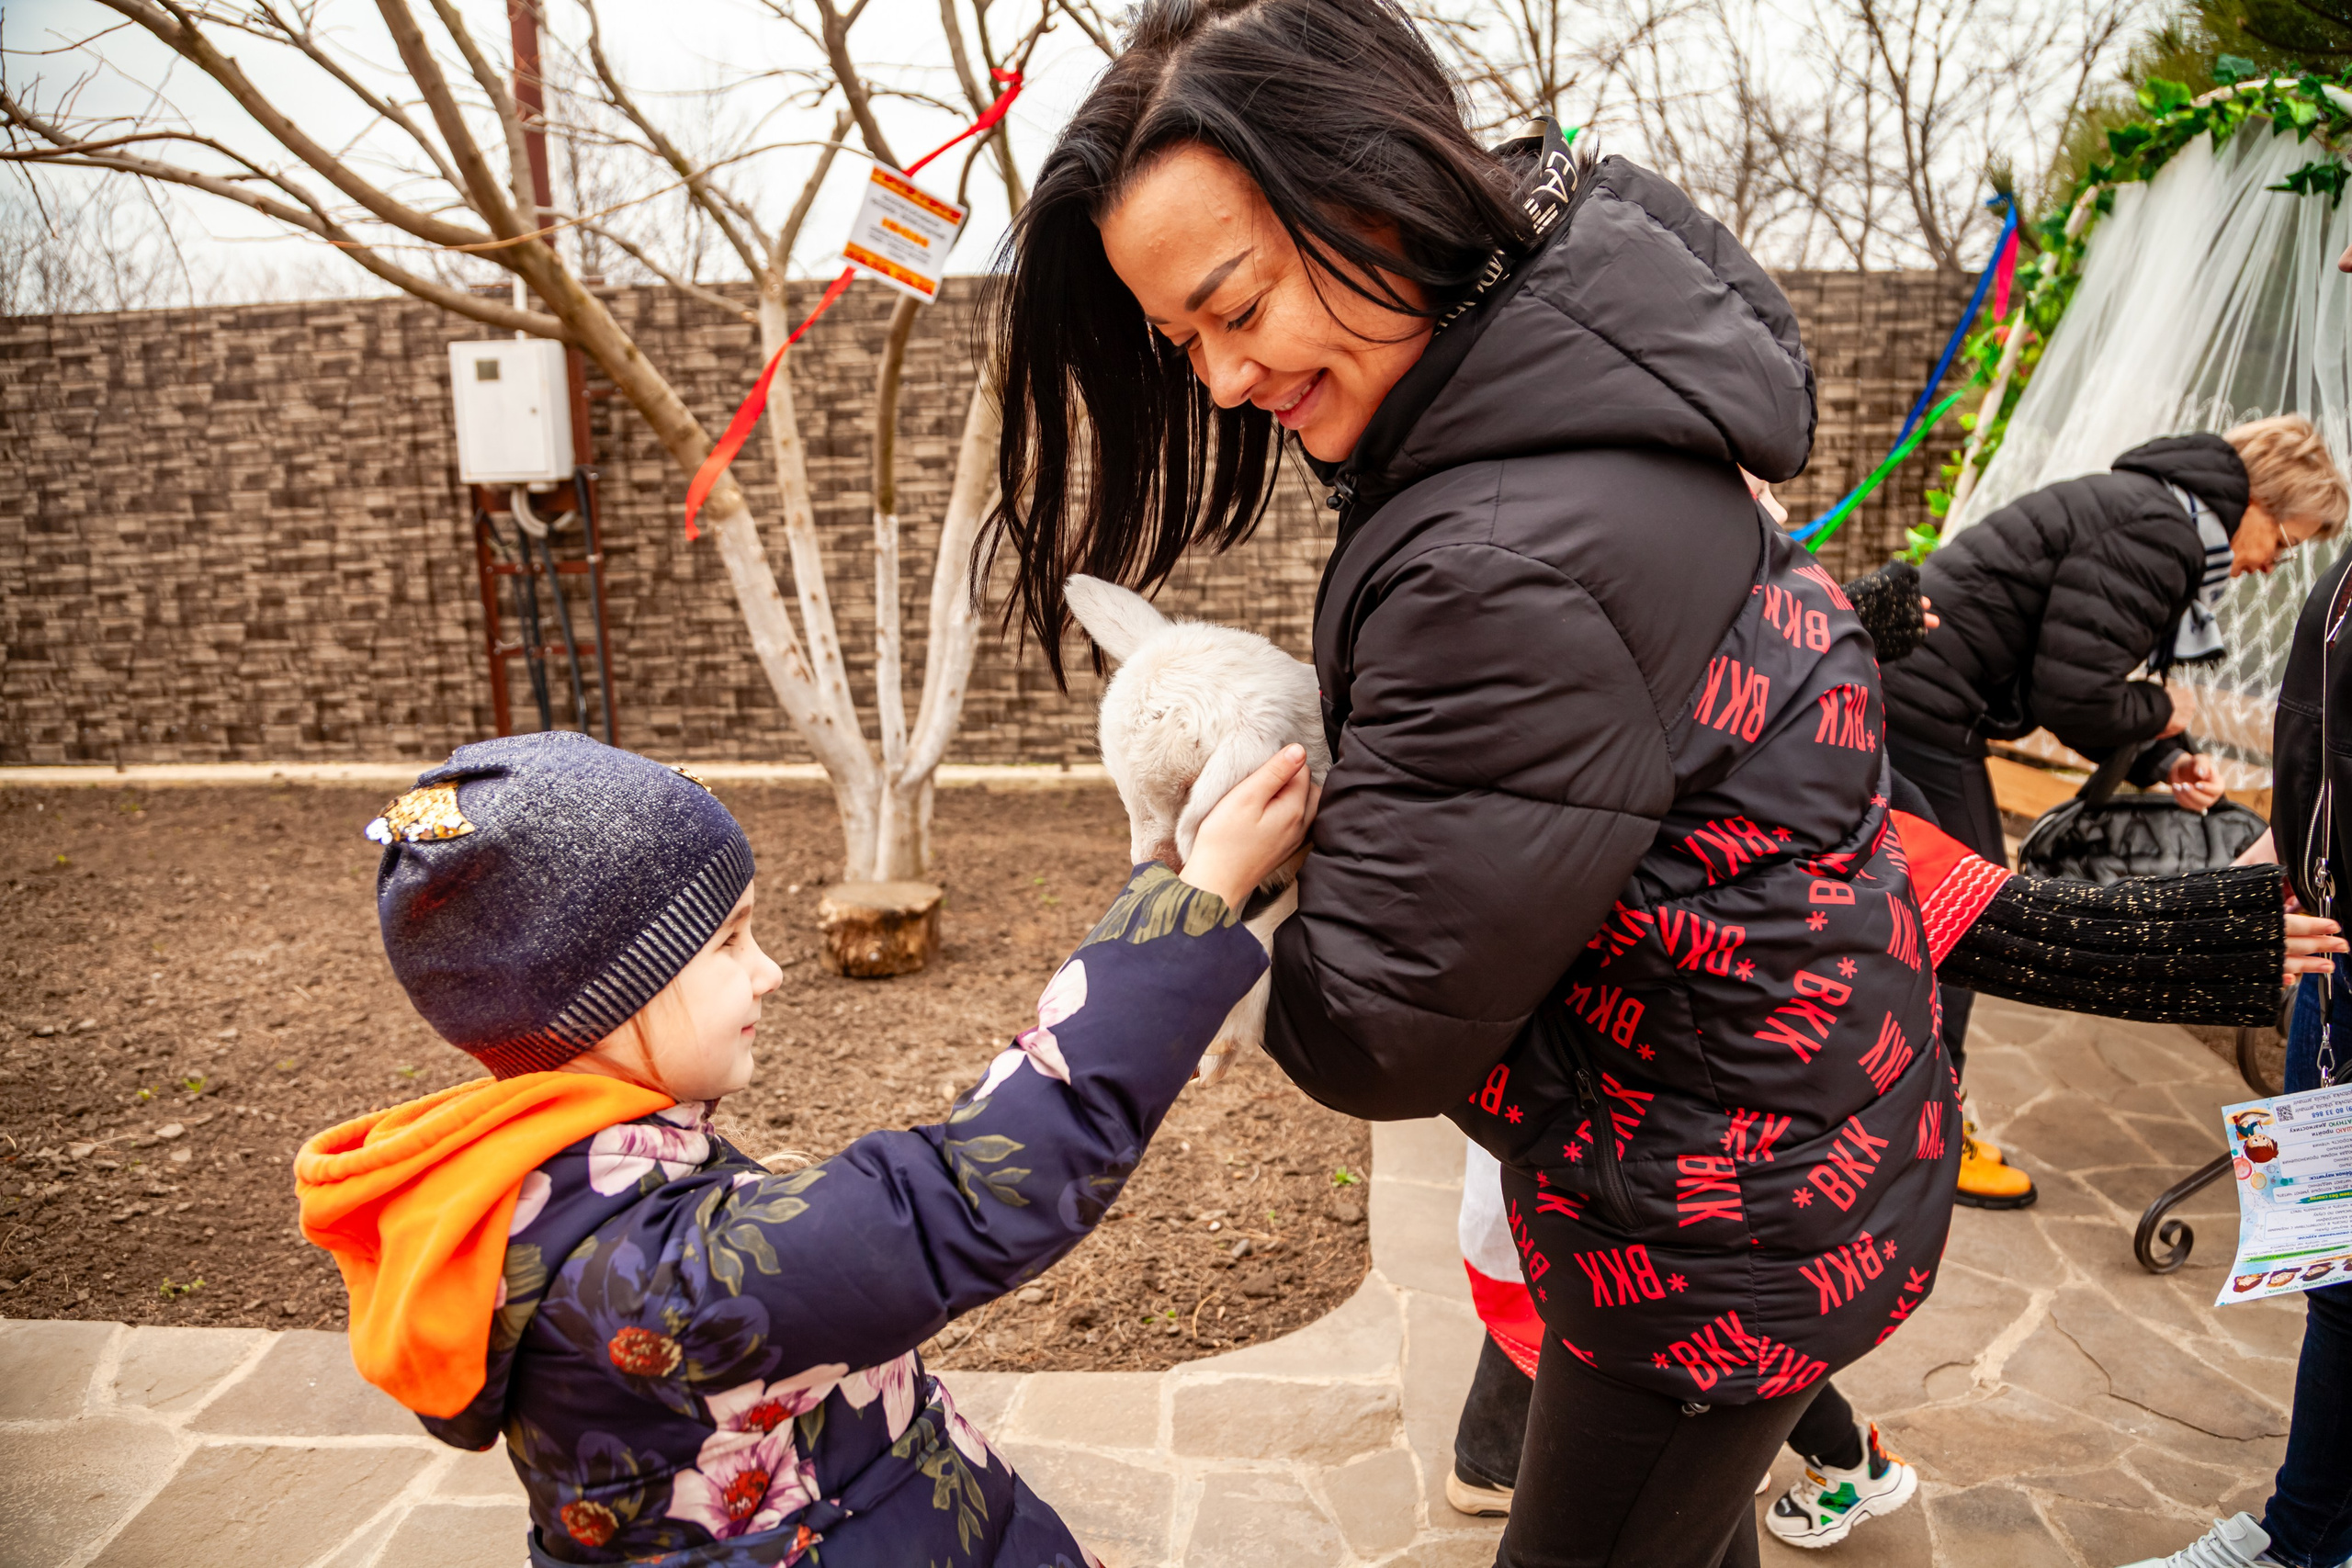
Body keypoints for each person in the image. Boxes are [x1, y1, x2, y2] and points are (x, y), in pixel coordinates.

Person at [989, 5, 1953, 1563]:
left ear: (1375, 196)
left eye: (1236, 306)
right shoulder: (1601, 401)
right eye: (1183, 343)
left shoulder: (1496, 555)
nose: (1221, 379)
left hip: (1714, 1219)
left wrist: (1238, 882)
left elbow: (1375, 1027)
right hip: (1784, 1136)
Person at [294, 730, 1315, 1565]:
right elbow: (977, 1191)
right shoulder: (662, 1279)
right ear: (608, 996)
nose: (770, 970)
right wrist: (1204, 891)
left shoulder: (548, 1175)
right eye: (728, 941)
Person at [1882, 413, 2349, 1210]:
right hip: (1925, 702)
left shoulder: (2155, 508)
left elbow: (2080, 666)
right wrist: (2164, 710)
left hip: (1922, 696)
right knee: (1964, 914)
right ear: (2258, 501)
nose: (2272, 565)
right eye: (2284, 540)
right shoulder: (2161, 532)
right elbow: (2075, 693)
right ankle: (1924, 1130)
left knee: (1937, 912)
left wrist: (2165, 756)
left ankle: (1902, 1108)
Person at [2126, 441, 2352, 1568]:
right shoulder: (2345, 582)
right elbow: (2325, 765)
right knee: (2330, 1267)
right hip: (2329, 960)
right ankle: (2310, 1536)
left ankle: (2297, 1543)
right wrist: (2262, 877)